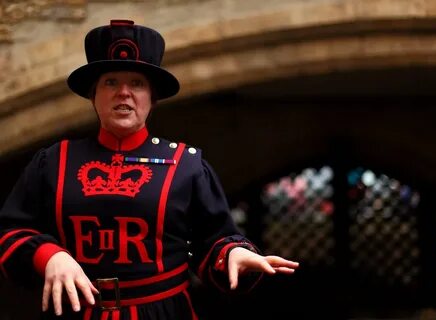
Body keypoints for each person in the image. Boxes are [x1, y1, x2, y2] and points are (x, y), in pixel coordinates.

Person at [0, 19, 299, 320]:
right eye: (111, 82)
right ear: (93, 95)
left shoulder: (186, 165)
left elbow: (214, 240)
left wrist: (233, 253)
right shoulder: (53, 162)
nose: (124, 93)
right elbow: (9, 231)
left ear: (152, 99)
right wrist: (49, 256)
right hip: (75, 312)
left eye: (137, 83)